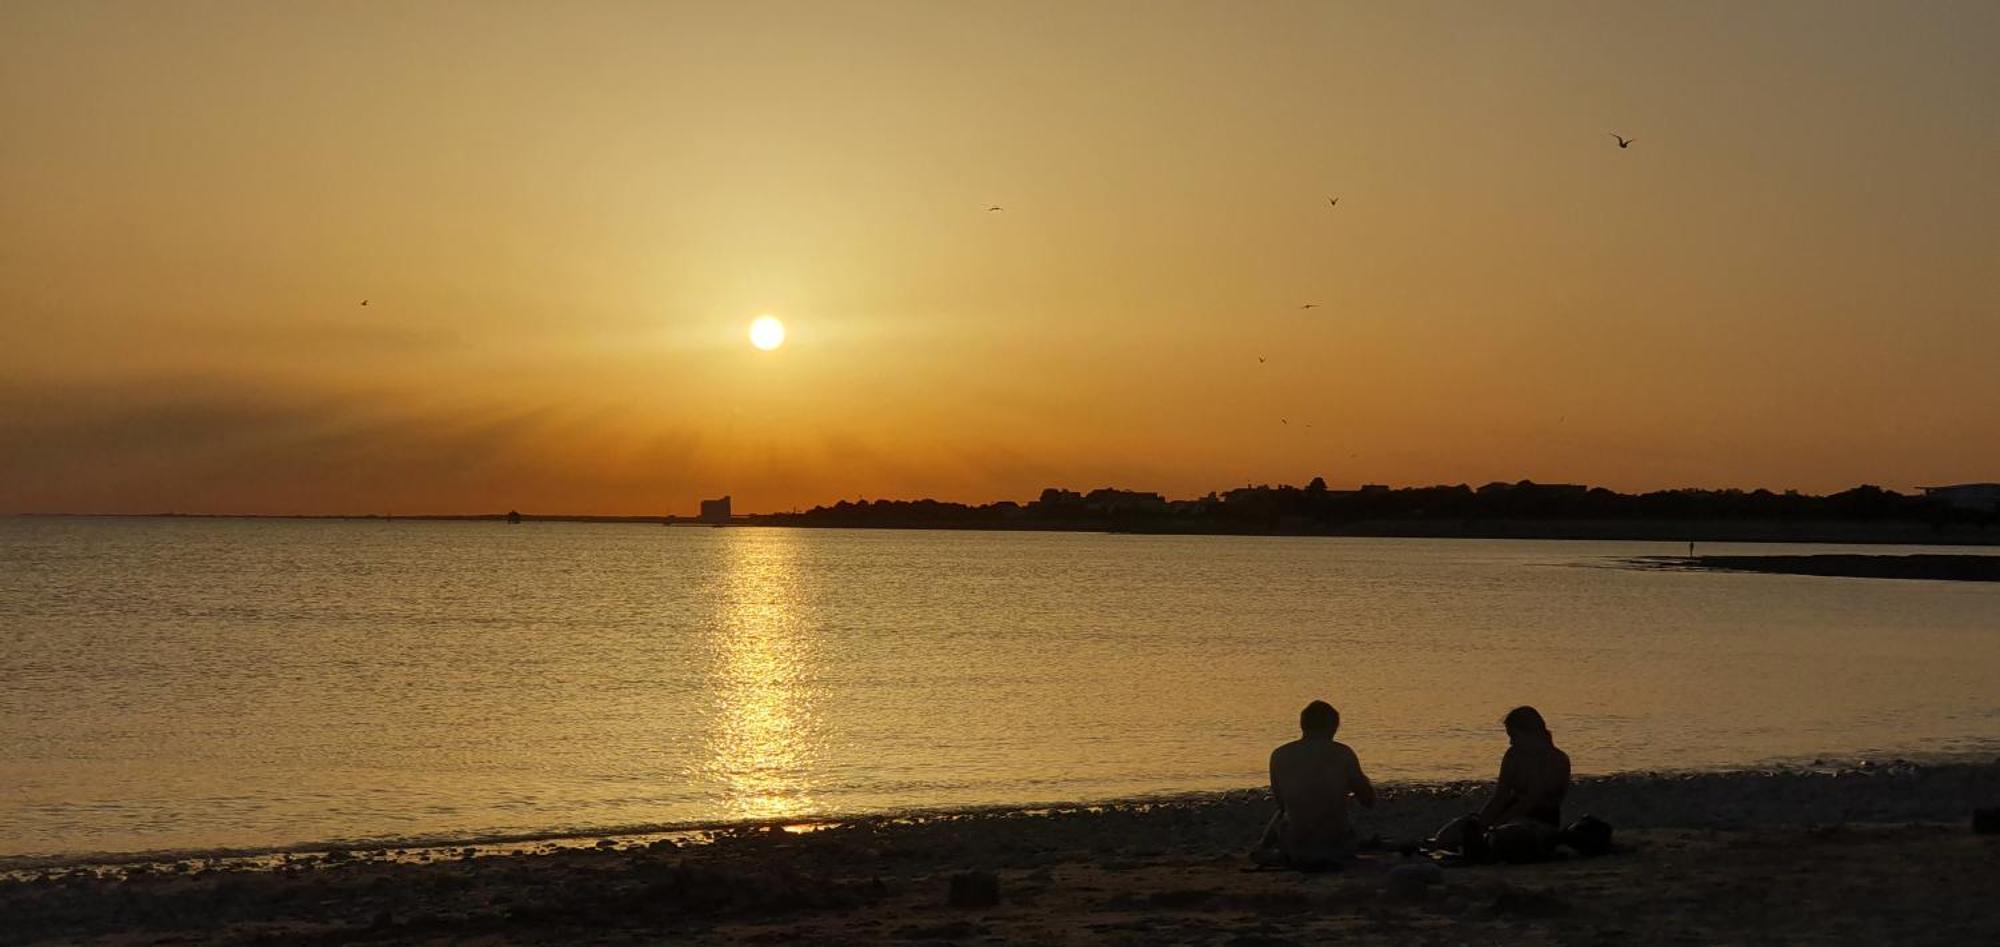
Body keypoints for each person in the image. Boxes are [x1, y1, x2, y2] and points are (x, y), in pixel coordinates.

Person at [1433, 705, 1572, 862]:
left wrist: (1495, 826)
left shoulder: (1556, 760)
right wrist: (1481, 823)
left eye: (1514, 735)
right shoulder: (1513, 755)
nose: (1511, 741)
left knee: (1506, 837)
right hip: (1507, 813)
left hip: (1539, 820)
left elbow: (1531, 800)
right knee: (1447, 836)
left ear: (1531, 733)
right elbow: (1500, 796)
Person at [1251, 700, 1375, 869]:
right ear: (1333, 727)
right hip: (1337, 843)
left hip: (1296, 844)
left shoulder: (1280, 755)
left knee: (1284, 813)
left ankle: (1263, 847)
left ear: (1303, 725)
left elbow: (1281, 804)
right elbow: (1369, 800)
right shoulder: (1343, 753)